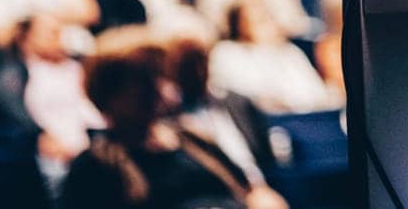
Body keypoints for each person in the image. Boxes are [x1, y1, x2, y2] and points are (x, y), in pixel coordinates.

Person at [63, 27, 284, 209]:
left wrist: (261, 199)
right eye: (144, 81)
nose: (162, 88)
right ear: (110, 94)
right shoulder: (96, 165)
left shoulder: (191, 138)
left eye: (162, 75)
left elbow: (252, 190)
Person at [0, 12, 104, 190]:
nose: (59, 39)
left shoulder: (81, 67)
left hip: (93, 147)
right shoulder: (12, 76)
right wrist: (38, 136)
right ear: (26, 39)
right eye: (51, 33)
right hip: (46, 154)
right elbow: (13, 114)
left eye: (60, 32)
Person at [165, 28, 276, 187]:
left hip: (264, 188)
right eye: (188, 65)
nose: (198, 71)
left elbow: (267, 158)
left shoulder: (238, 101)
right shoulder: (172, 118)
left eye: (202, 60)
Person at [207, 0, 334, 115]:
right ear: (239, 26)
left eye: (269, 17)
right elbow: (247, 98)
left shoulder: (291, 52)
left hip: (307, 121)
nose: (270, 25)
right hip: (264, 124)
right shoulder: (227, 53)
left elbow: (318, 95)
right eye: (260, 20)